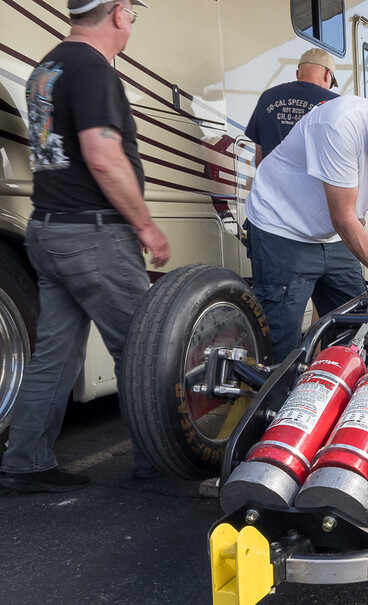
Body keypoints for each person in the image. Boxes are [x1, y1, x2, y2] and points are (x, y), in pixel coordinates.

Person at [0, 0, 170, 493]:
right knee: (143, 349)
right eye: (131, 15)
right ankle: (157, 463)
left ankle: (25, 461)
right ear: (119, 13)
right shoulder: (94, 70)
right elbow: (101, 155)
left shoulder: (46, 68)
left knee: (57, 353)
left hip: (50, 228)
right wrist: (145, 225)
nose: (131, 25)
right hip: (94, 234)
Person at [245, 83, 368, 362]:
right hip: (282, 225)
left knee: (356, 329)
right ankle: (276, 399)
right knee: (281, 342)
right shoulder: (340, 122)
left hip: (333, 235)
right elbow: (344, 218)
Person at [245, 48, 340, 166]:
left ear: (297, 74)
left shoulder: (267, 97)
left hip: (270, 182)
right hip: (312, 184)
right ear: (327, 75)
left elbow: (259, 158)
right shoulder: (336, 103)